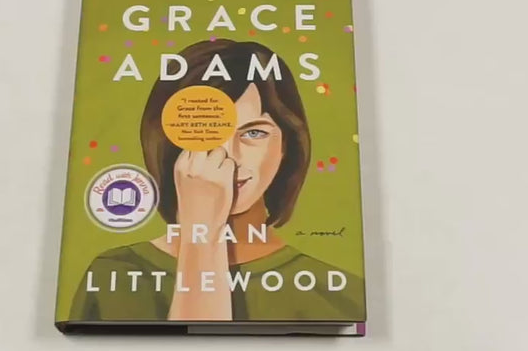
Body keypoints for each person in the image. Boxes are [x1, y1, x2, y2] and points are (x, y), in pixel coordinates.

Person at [69, 39, 362, 323]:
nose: (230, 157)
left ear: (287, 145)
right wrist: (202, 230)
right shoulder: (114, 276)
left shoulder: (340, 294)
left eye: (254, 133)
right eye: (206, 130)